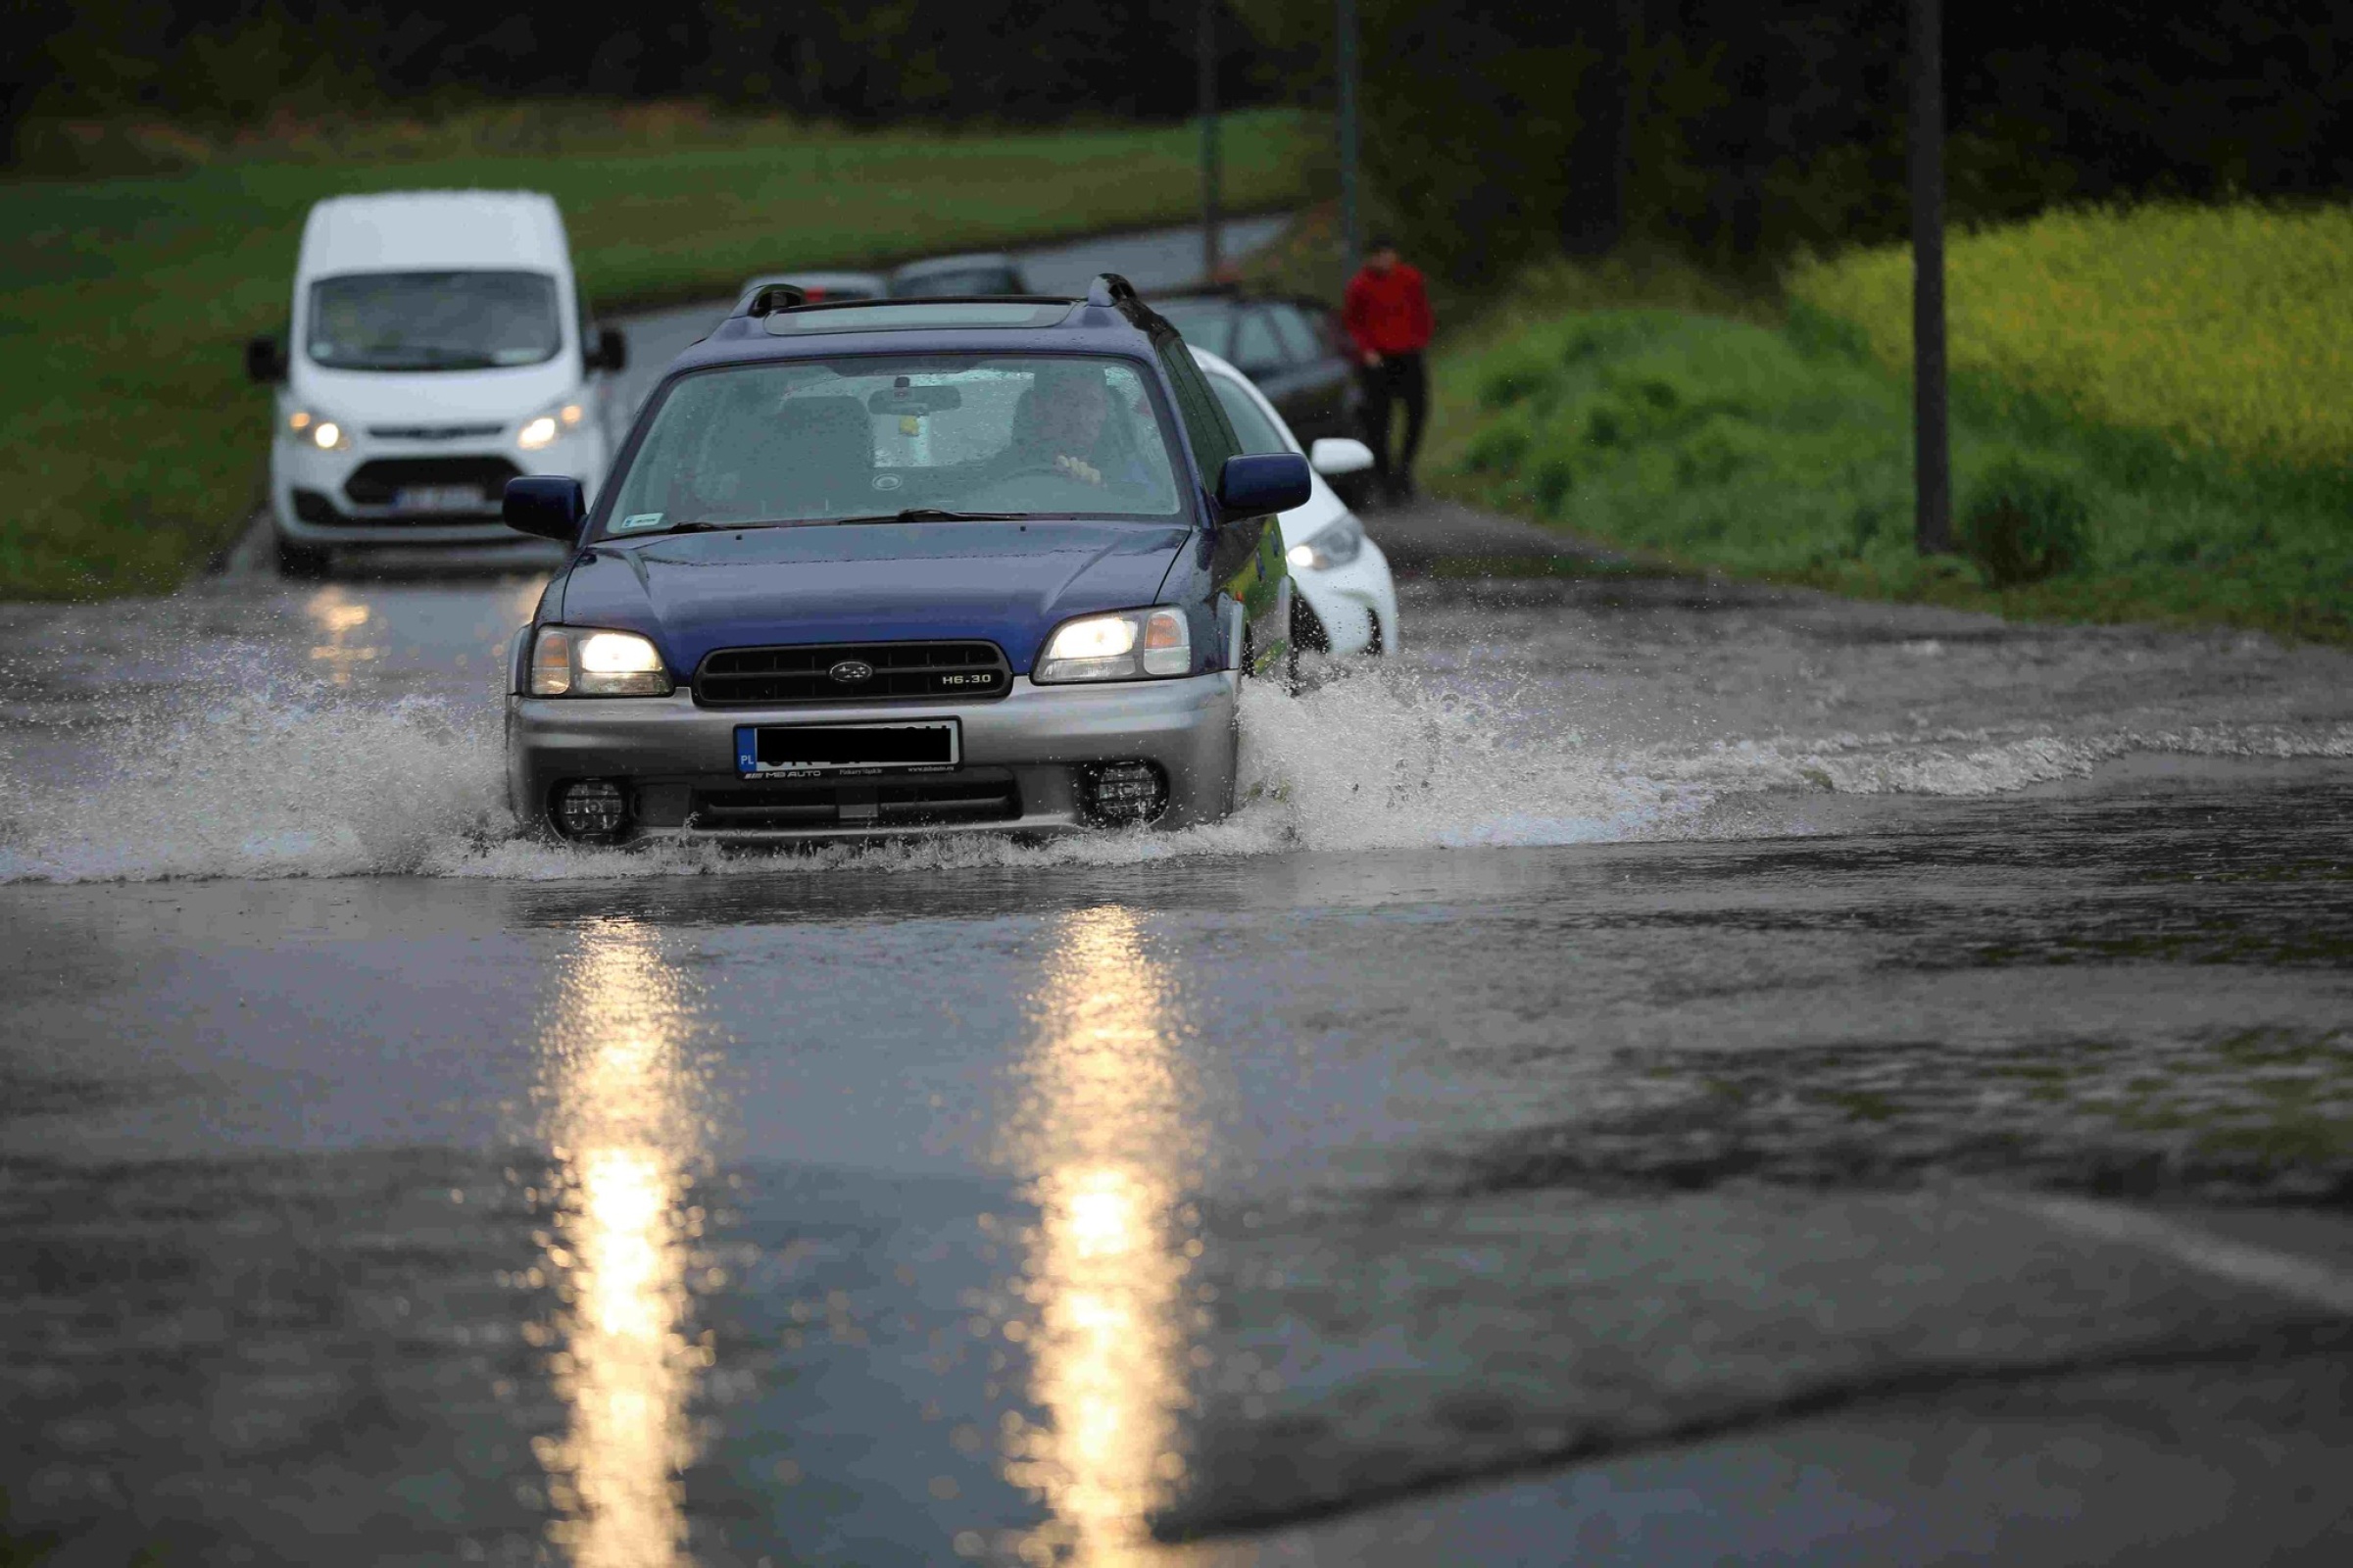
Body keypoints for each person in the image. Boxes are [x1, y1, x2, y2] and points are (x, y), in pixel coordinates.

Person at [1341, 237, 1435, 502]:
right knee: (1378, 421)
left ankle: (1404, 468)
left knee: (1418, 411)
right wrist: (1365, 351)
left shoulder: (1410, 279)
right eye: (1377, 255)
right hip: (1376, 360)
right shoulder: (1359, 286)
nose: (1383, 260)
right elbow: (1352, 323)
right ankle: (1385, 477)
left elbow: (1421, 312)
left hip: (1408, 354)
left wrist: (1420, 339)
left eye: (1387, 254)